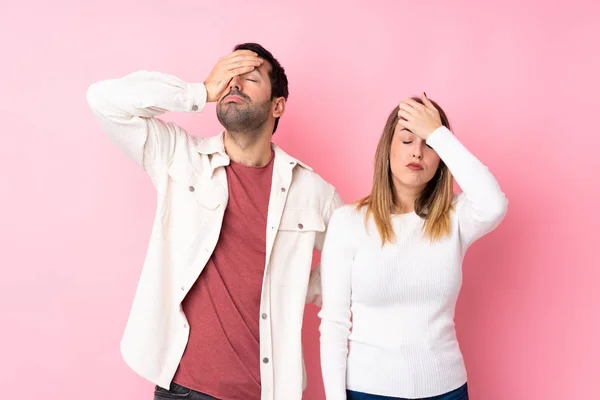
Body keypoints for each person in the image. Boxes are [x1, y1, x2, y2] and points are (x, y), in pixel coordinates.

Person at [86, 42, 343, 400]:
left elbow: (356, 258)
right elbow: (104, 99)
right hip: (183, 389)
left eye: (250, 78)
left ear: (278, 105)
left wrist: (303, 286)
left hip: (268, 392)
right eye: (228, 77)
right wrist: (201, 91)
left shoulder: (312, 191)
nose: (233, 85)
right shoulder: (179, 156)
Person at [318, 94, 508, 400]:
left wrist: (439, 134)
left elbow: (494, 204)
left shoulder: (455, 217)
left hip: (446, 390)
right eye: (407, 140)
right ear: (387, 149)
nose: (417, 153)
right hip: (368, 391)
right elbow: (334, 324)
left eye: (429, 144)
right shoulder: (348, 222)